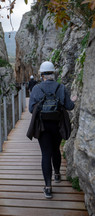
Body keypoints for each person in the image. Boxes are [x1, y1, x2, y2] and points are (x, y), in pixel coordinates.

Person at [29, 61, 77, 199]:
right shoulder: (61, 87)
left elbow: (32, 109)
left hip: (42, 126)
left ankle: (48, 187)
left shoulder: (37, 89)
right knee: (55, 150)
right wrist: (73, 100)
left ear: (42, 74)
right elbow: (69, 106)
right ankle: (57, 175)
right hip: (58, 125)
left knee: (45, 154)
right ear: (53, 73)